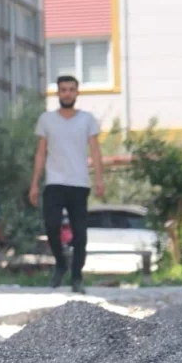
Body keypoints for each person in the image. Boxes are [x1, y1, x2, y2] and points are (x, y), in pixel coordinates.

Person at [28, 75, 106, 294]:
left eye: (71, 89)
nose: (68, 93)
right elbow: (41, 153)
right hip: (54, 182)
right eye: (64, 90)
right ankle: (61, 264)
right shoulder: (46, 119)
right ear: (58, 93)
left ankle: (77, 277)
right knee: (51, 225)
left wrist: (99, 180)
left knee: (80, 232)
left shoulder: (87, 120)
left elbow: (95, 151)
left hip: (79, 183)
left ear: (77, 93)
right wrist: (34, 184)